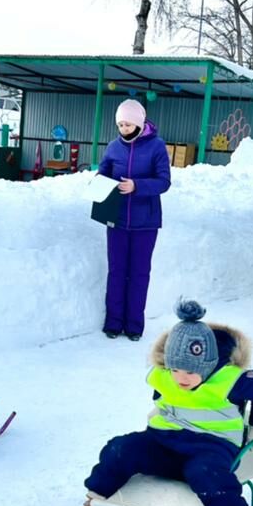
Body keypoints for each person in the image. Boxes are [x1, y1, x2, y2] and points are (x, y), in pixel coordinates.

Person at [69, 300, 253, 506]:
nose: (181, 378)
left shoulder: (232, 380)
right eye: (175, 369)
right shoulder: (166, 374)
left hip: (211, 446)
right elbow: (162, 393)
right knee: (120, 448)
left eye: (191, 371)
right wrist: (161, 410)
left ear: (209, 364)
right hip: (164, 441)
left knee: (208, 474)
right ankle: (95, 501)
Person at [96, 99, 172, 341]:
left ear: (139, 123)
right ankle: (113, 323)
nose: (124, 129)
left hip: (145, 223)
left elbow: (164, 181)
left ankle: (134, 325)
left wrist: (137, 186)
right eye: (120, 125)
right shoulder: (113, 147)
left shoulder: (157, 147)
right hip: (116, 220)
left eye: (128, 124)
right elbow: (103, 173)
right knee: (116, 271)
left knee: (139, 273)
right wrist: (99, 183)